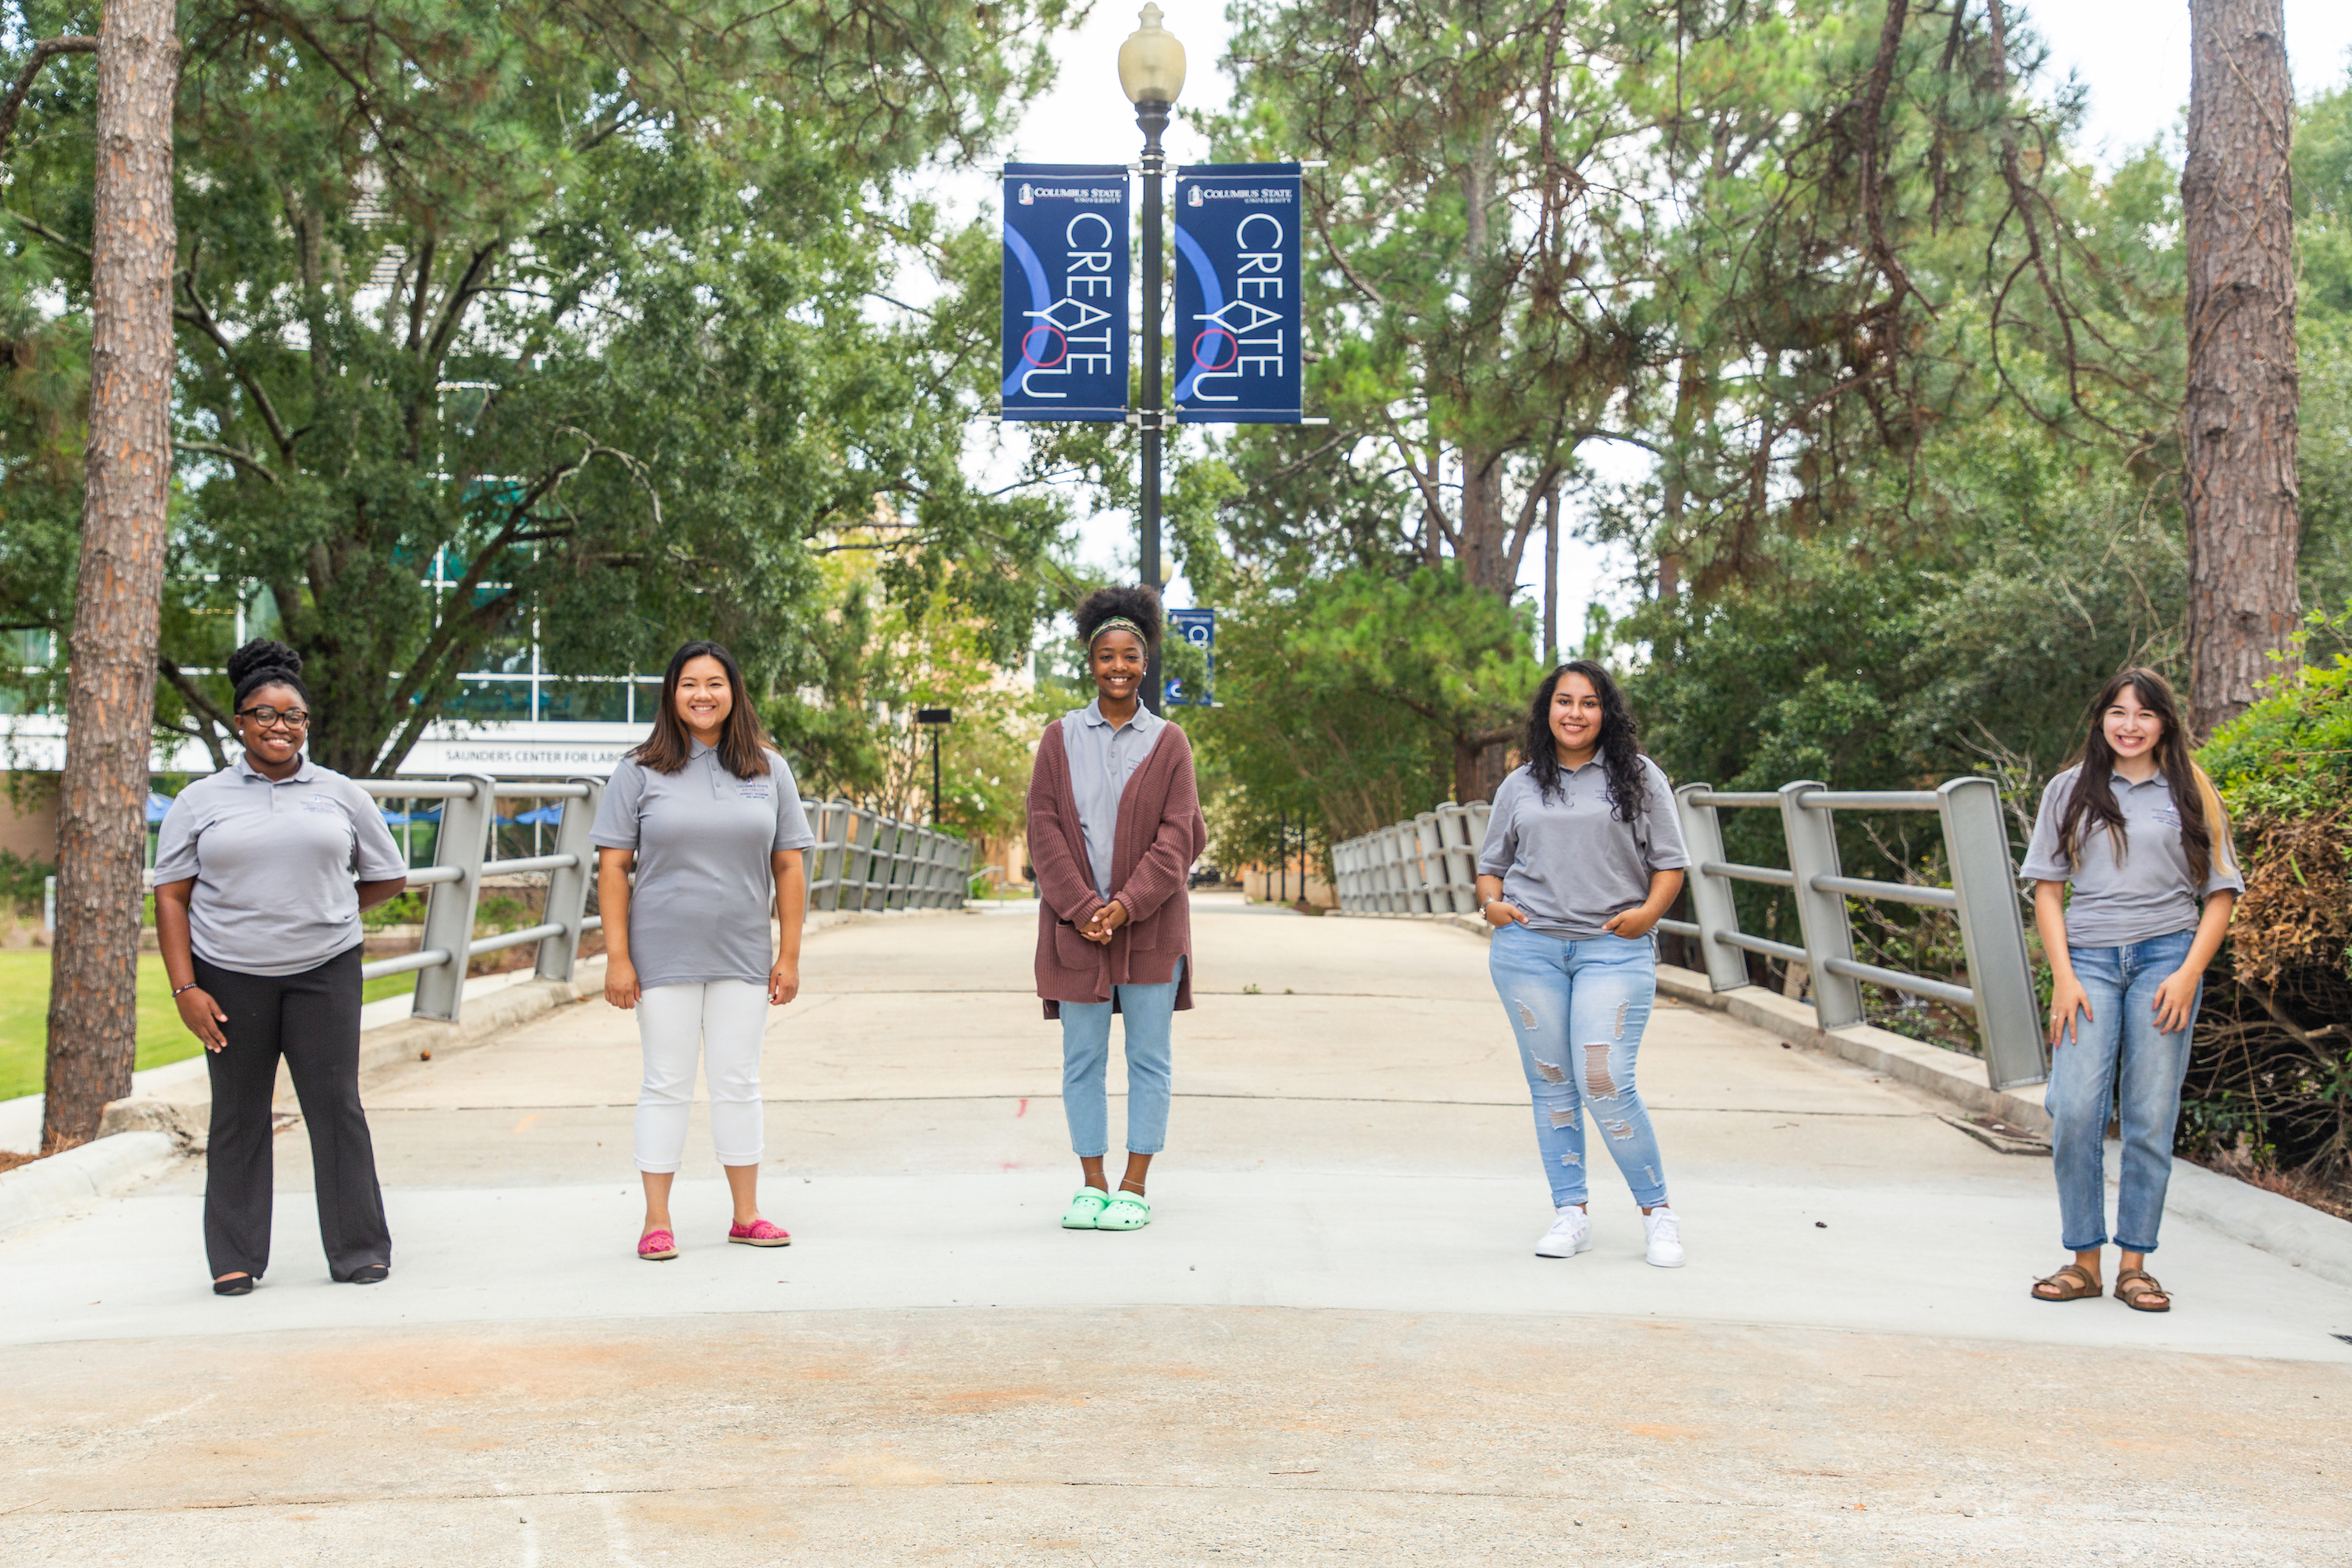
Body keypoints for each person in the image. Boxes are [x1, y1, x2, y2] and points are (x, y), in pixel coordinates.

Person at [154, 640, 410, 1295]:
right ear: (239, 722)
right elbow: (172, 895)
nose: (279, 726)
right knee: (239, 1114)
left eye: (292, 714)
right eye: (263, 714)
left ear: (306, 723)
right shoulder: (199, 800)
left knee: (335, 1108)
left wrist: (327, 908)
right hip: (229, 977)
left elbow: (387, 876)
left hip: (324, 971)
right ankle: (235, 1257)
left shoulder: (340, 794)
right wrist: (185, 986)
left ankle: (359, 1249)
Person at [2020, 668, 2240, 1313]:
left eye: (2144, 714)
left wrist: (2188, 972)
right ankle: (2083, 1260)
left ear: (2165, 723)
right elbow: (2048, 891)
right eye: (2117, 712)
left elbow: (2221, 891)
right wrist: (2063, 976)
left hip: (2167, 959)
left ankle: (2135, 1265)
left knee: (2149, 1116)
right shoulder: (2070, 790)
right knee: (2077, 1111)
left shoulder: (2193, 790)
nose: (2129, 725)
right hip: (2086, 961)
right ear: (2101, 720)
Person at [593, 640, 815, 1260]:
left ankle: (746, 1214)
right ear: (672, 694)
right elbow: (613, 867)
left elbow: (790, 868)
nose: (702, 695)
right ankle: (656, 1221)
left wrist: (789, 956)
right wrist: (618, 957)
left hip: (743, 952)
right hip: (661, 953)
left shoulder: (769, 769)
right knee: (665, 1082)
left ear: (734, 692)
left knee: (738, 1081)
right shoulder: (639, 769)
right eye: (689, 684)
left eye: (715, 683)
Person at [1476, 659, 1691, 1268]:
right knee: (1553, 1085)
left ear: (1606, 712)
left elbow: (1670, 863)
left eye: (1589, 702)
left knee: (1604, 1081)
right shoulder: (1520, 784)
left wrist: (1647, 917)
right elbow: (1492, 864)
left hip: (1611, 950)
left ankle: (1659, 1214)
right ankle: (1571, 1213)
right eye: (1564, 701)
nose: (1575, 713)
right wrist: (1493, 906)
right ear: (1548, 711)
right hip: (1528, 950)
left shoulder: (1639, 776)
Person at [1026, 585, 1206, 1232]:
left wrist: (1126, 906)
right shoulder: (1059, 738)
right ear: (1091, 661)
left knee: (1149, 1058)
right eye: (1107, 656)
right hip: (1076, 932)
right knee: (1082, 1059)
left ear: (1146, 659)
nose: (1119, 667)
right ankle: (1091, 1183)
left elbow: (1178, 835)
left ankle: (1134, 1182)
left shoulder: (1171, 742)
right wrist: (1082, 908)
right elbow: (1043, 828)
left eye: (1131, 655)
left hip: (1152, 930)